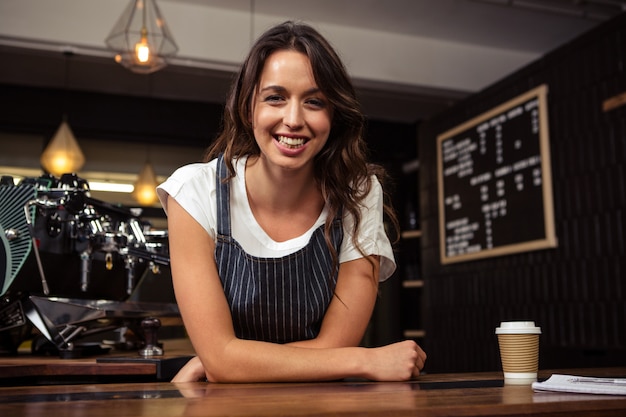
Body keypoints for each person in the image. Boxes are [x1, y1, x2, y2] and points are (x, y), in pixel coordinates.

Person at [157, 21, 426, 383]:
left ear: (333, 115)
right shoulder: (194, 191)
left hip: (320, 401)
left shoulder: (358, 193)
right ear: (249, 106)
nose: (294, 119)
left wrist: (232, 361)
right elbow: (222, 360)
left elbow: (337, 343)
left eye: (314, 102)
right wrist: (363, 361)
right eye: (275, 98)